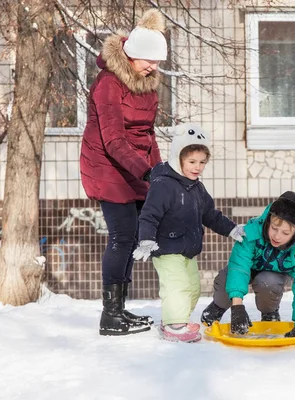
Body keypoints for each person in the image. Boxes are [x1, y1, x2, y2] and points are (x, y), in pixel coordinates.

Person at [79, 9, 168, 336]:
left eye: (158, 62)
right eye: (150, 61)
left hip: (135, 169)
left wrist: (159, 170)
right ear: (132, 55)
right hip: (106, 166)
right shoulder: (107, 84)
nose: (154, 67)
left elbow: (148, 134)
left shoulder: (148, 86)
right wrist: (147, 174)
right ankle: (110, 315)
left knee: (133, 237)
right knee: (122, 236)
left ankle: (119, 309)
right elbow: (113, 140)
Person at [133, 123, 246, 343]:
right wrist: (146, 239)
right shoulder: (163, 185)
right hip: (165, 249)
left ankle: (177, 320)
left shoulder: (197, 188)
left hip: (188, 251)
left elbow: (211, 215)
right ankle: (175, 326)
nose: (197, 167)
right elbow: (149, 214)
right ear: (178, 158)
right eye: (192, 162)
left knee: (193, 288)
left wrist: (231, 229)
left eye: (202, 162)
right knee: (177, 286)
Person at [201, 191, 295, 338]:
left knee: (268, 281)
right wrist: (237, 307)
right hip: (248, 268)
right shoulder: (252, 232)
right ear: (268, 221)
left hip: (272, 276)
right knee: (227, 277)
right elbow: (239, 267)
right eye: (274, 228)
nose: (277, 236)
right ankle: (218, 306)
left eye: (285, 233)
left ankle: (269, 312)